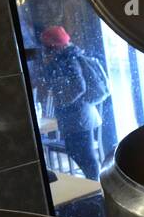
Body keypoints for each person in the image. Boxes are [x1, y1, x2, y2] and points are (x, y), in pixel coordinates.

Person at [39, 26, 104, 180]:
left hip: (79, 116)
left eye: (47, 45)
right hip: (78, 116)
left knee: (87, 159)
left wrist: (62, 102)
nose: (45, 49)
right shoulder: (66, 56)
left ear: (54, 45)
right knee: (79, 153)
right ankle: (96, 188)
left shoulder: (68, 58)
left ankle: (97, 190)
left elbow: (79, 86)